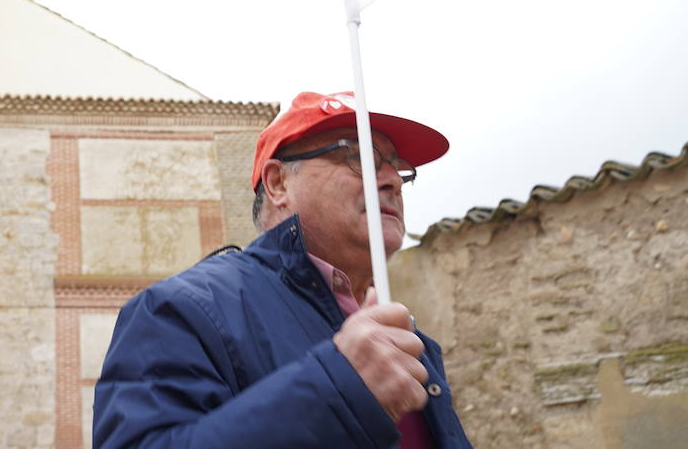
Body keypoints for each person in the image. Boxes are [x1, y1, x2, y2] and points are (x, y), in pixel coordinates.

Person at [93, 91, 472, 447]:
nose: (391, 180)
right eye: (359, 157)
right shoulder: (182, 309)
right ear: (277, 184)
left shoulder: (414, 341)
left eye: (398, 168)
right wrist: (339, 391)